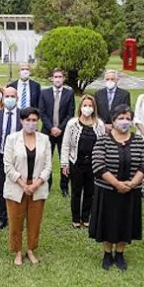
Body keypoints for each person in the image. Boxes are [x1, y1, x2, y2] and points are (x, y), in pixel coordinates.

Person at [90, 105, 144, 271]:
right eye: (121, 118)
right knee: (108, 221)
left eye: (128, 119)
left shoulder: (138, 140)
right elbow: (98, 165)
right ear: (113, 121)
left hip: (131, 191)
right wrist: (117, 184)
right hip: (107, 190)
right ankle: (107, 253)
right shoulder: (103, 140)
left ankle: (120, 253)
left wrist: (133, 183)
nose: (124, 122)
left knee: (125, 221)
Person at [3, 107, 52, 265]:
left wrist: (36, 184)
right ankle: (17, 251)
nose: (31, 123)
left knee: (34, 221)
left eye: (34, 120)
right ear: (21, 121)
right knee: (16, 221)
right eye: (28, 120)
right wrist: (23, 185)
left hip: (37, 186)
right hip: (17, 186)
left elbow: (48, 166)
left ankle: (31, 249)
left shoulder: (44, 139)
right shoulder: (12, 139)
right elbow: (8, 165)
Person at [61, 95, 105, 229]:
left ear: (94, 108)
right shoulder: (72, 123)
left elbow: (103, 144)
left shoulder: (99, 124)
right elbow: (66, 144)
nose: (87, 108)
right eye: (85, 105)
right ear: (80, 107)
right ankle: (76, 218)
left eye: (90, 106)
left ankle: (86, 217)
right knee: (76, 191)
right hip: (76, 162)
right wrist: (64, 163)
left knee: (90, 192)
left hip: (93, 163)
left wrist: (102, 163)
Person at [38, 68, 75, 196]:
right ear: (51, 78)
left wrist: (60, 128)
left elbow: (70, 113)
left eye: (60, 77)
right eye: (55, 77)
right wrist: (51, 128)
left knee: (64, 159)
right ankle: (46, 185)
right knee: (46, 159)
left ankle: (64, 186)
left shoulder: (69, 93)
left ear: (63, 78)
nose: (58, 79)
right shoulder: (44, 93)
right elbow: (42, 112)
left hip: (63, 132)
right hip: (47, 131)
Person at [0, 87, 21, 230]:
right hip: (1, 157)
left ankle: (17, 217)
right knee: (1, 190)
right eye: (6, 96)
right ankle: (2, 219)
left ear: (17, 98)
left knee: (18, 188)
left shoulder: (23, 116)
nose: (9, 99)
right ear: (3, 98)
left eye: (12, 96)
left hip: (18, 158)